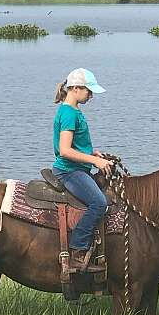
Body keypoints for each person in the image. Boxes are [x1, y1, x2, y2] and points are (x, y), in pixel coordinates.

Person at [52, 68, 114, 272]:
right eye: (89, 90)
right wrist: (94, 162)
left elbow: (76, 145)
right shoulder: (69, 113)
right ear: (76, 88)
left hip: (78, 167)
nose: (91, 95)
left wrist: (92, 153)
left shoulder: (72, 110)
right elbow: (65, 150)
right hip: (70, 171)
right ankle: (78, 250)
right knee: (99, 202)